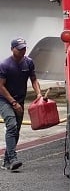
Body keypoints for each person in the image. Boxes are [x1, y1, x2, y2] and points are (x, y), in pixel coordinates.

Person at [0, 37, 42, 172]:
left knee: (16, 130)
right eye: (19, 49)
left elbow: (34, 80)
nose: (23, 51)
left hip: (20, 99)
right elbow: (0, 86)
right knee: (11, 125)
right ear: (12, 49)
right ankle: (12, 159)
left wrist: (39, 94)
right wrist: (12, 102)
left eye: (24, 48)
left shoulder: (28, 63)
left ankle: (7, 161)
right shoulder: (4, 65)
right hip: (5, 100)